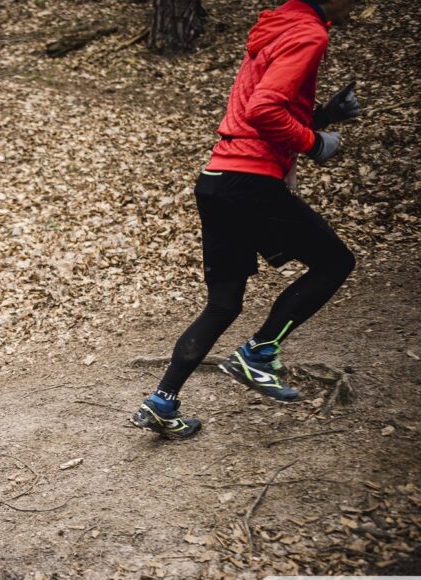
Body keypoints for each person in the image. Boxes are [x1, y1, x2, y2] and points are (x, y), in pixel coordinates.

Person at [131, 0, 360, 440]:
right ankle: (258, 353)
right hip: (250, 182)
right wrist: (314, 143)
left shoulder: (275, 29)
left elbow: (257, 114)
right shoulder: (310, 34)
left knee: (224, 303)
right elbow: (263, 112)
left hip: (217, 180)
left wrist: (324, 116)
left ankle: (162, 403)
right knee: (335, 263)